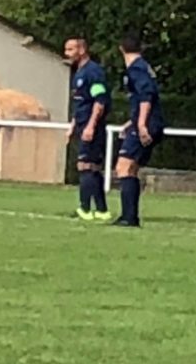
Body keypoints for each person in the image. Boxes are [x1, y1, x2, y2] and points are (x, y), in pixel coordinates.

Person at [113, 32, 165, 228]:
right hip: (148, 122)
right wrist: (131, 121)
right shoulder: (144, 67)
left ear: (121, 49)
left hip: (147, 124)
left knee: (123, 167)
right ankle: (129, 215)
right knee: (131, 168)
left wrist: (141, 124)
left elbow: (146, 96)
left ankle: (129, 217)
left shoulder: (136, 69)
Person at [64, 36, 112, 221]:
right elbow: (81, 103)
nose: (66, 54)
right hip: (82, 124)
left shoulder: (93, 72)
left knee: (85, 166)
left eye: (70, 50)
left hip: (92, 126)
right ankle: (101, 210)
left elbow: (99, 101)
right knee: (91, 168)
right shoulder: (79, 73)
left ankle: (84, 209)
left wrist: (91, 125)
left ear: (81, 50)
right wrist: (73, 126)